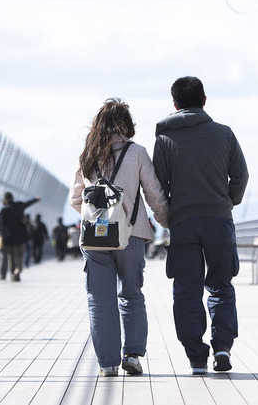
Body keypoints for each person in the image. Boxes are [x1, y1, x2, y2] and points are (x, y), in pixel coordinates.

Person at [153, 77, 248, 375]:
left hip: (183, 222)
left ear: (175, 104)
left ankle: (196, 356)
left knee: (186, 290)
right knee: (220, 284)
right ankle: (222, 347)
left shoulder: (166, 139)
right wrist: (226, 202)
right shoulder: (224, 134)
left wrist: (171, 216)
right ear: (204, 100)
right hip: (219, 220)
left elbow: (158, 186)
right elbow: (241, 177)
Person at [71, 98, 169, 377]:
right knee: (131, 295)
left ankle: (108, 364)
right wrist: (167, 222)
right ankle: (133, 356)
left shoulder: (87, 155)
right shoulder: (136, 152)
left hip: (94, 238)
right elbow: (155, 195)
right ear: (126, 125)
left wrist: (98, 216)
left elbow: (75, 199)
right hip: (132, 235)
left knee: (100, 301)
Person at [0, 192, 39, 281]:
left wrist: (2, 233)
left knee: (10, 257)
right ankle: (18, 270)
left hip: (8, 238)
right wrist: (36, 199)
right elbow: (28, 203)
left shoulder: (3, 211)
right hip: (20, 236)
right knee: (20, 255)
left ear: (6, 199)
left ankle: (12, 274)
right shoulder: (19, 205)